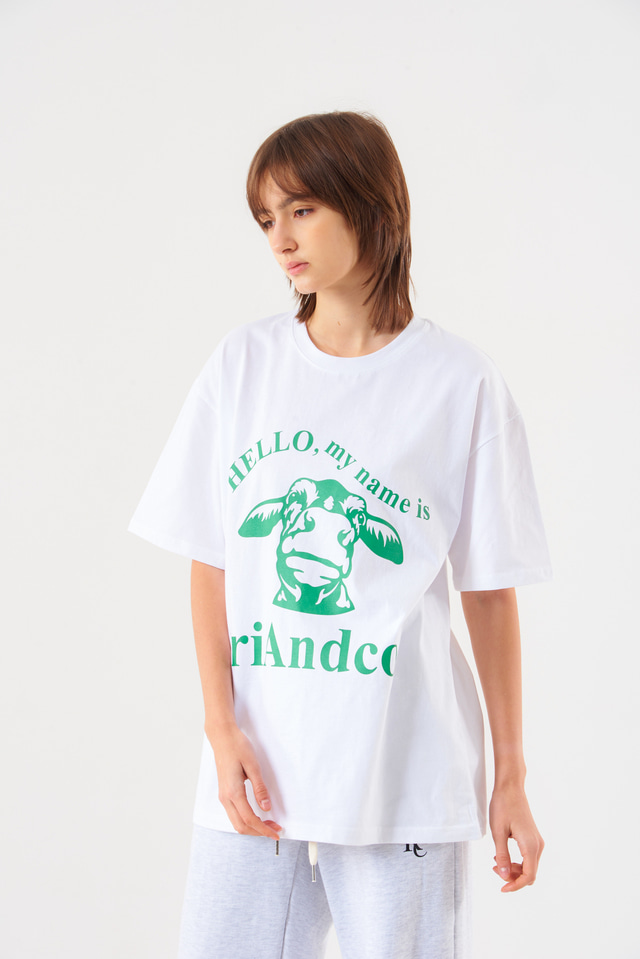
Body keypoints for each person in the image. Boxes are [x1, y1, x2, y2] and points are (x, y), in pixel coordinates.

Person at [129, 111, 552, 959]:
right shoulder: (242, 366)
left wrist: (510, 776)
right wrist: (220, 728)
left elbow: (489, 592)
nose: (280, 239)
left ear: (370, 205)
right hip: (256, 771)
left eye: (302, 209)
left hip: (403, 772)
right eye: (266, 218)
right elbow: (211, 560)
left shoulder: (459, 383)